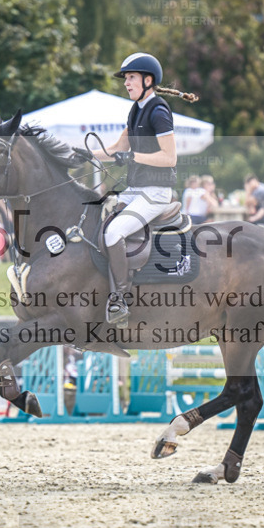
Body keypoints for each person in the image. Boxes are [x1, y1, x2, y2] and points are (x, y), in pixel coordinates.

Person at [81, 52, 197, 328]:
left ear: (148, 80)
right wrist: (85, 155)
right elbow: (118, 148)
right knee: (94, 217)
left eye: (131, 78)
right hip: (136, 189)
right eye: (126, 79)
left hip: (156, 192)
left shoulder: (158, 111)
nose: (126, 83)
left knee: (113, 231)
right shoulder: (135, 110)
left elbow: (169, 158)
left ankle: (120, 299)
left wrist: (134, 157)